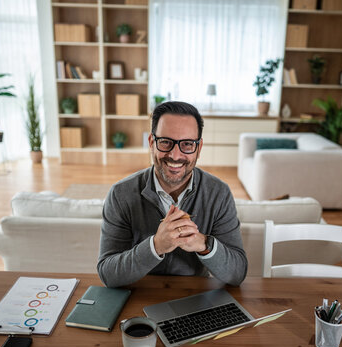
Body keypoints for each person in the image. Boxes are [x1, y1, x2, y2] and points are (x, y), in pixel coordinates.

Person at [97, 101, 247, 287]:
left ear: (198, 148)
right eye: (166, 142)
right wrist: (156, 246)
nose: (175, 155)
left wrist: (204, 244)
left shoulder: (219, 193)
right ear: (152, 143)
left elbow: (237, 273)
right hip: (137, 296)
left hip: (195, 299)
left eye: (187, 144)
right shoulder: (121, 194)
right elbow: (108, 274)